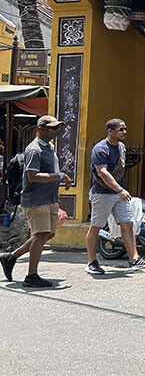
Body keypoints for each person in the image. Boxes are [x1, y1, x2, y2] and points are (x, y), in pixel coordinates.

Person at [0, 116, 72, 287]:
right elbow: (33, 176)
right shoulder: (35, 149)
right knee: (40, 235)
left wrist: (59, 179)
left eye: (58, 128)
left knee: (49, 234)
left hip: (50, 198)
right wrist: (60, 176)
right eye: (53, 128)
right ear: (41, 128)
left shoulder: (50, 147)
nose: (57, 131)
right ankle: (31, 275)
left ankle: (12, 257)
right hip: (36, 200)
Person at [84, 118, 145, 274]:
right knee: (96, 227)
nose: (124, 132)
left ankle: (134, 259)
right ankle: (91, 262)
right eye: (121, 130)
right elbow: (102, 172)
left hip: (119, 193)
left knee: (127, 223)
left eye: (125, 129)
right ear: (110, 131)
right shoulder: (100, 149)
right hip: (103, 194)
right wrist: (119, 189)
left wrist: (120, 190)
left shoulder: (121, 147)